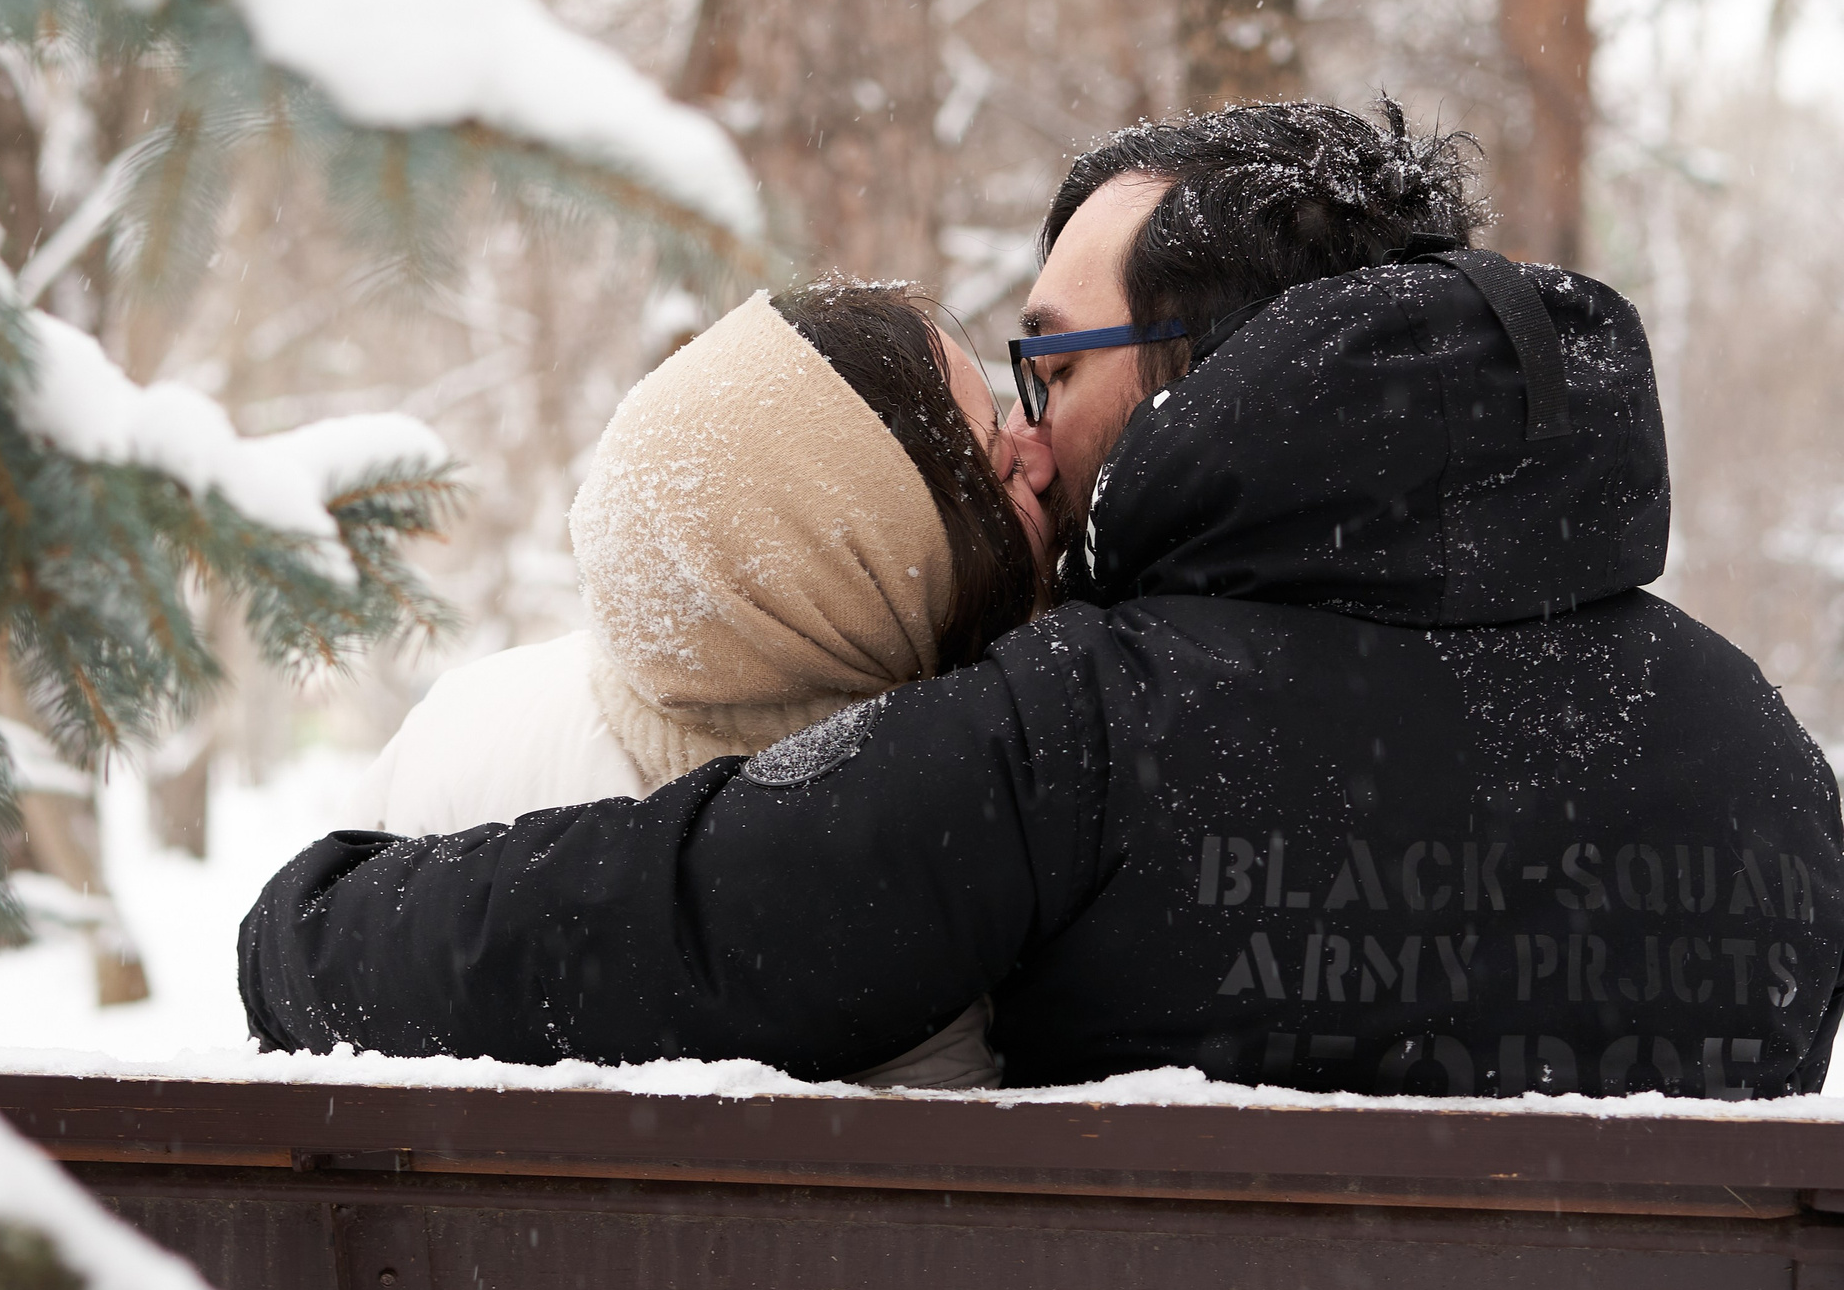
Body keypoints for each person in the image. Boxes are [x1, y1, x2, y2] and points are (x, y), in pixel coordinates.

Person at [240, 100, 1844, 1099]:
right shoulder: (1762, 759)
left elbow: (682, 927)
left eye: (1052, 357)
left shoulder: (1094, 730)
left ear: (1212, 381)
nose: (1025, 424)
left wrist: (312, 927)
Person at [343, 279, 1051, 1086]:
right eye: (998, 461)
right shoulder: (928, 861)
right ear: (877, 573)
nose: (1041, 449)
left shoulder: (463, 725)